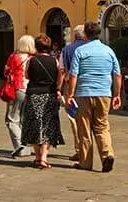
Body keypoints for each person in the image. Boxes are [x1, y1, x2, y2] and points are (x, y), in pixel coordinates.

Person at [66, 21, 122, 173]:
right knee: (102, 126)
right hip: (104, 93)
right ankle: (107, 154)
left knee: (84, 129)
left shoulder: (81, 51)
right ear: (99, 33)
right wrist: (117, 94)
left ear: (86, 34)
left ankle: (85, 162)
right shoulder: (109, 51)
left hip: (84, 93)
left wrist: (70, 94)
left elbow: (73, 75)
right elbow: (117, 75)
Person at [21, 34, 64, 169]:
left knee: (33, 124)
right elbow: (59, 76)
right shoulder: (54, 61)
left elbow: (26, 75)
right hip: (49, 95)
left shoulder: (31, 60)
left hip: (33, 94)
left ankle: (37, 156)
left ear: (36, 47)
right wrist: (58, 88)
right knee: (48, 125)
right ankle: (44, 157)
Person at [56, 25, 87, 162]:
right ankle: (90, 149)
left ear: (75, 36)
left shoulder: (66, 49)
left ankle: (80, 150)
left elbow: (62, 70)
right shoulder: (92, 47)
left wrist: (59, 88)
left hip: (72, 88)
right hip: (90, 87)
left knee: (74, 119)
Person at [4, 35, 35, 158]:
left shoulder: (14, 57)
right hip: (29, 89)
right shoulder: (33, 58)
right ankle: (26, 147)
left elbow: (5, 71)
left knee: (11, 119)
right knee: (23, 119)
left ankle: (20, 145)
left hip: (16, 89)